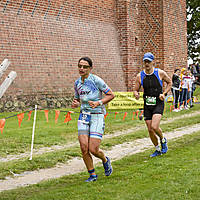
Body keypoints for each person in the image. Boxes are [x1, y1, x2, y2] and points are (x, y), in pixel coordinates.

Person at [71, 57, 115, 182]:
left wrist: (99, 102)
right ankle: (92, 175)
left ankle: (105, 160)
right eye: (80, 66)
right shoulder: (77, 83)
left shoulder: (97, 80)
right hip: (84, 115)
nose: (81, 69)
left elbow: (111, 95)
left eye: (85, 67)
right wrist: (75, 103)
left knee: (93, 149)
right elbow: (77, 99)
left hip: (97, 115)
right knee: (84, 148)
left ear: (90, 68)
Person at [134, 52, 172, 157]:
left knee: (155, 126)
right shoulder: (139, 76)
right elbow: (135, 90)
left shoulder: (160, 73)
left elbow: (170, 82)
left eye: (148, 61)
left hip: (158, 103)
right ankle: (157, 149)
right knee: (150, 129)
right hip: (147, 104)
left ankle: (163, 140)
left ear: (153, 62)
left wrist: (164, 93)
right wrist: (136, 94)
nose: (147, 64)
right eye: (145, 61)